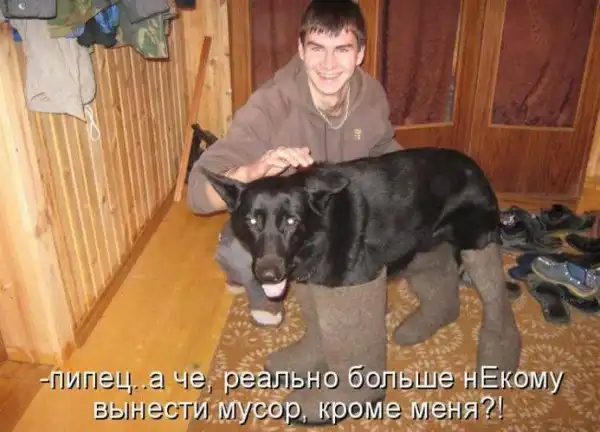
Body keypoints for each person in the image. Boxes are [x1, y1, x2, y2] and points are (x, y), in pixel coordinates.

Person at [187, 0, 402, 327]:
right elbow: (197, 193)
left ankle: (355, 281)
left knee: (390, 221)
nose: (328, 64)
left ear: (360, 54)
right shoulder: (269, 106)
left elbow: (385, 148)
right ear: (300, 49)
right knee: (239, 254)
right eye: (317, 48)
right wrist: (251, 171)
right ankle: (256, 284)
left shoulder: (371, 95)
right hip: (278, 223)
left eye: (342, 50)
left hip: (337, 213)